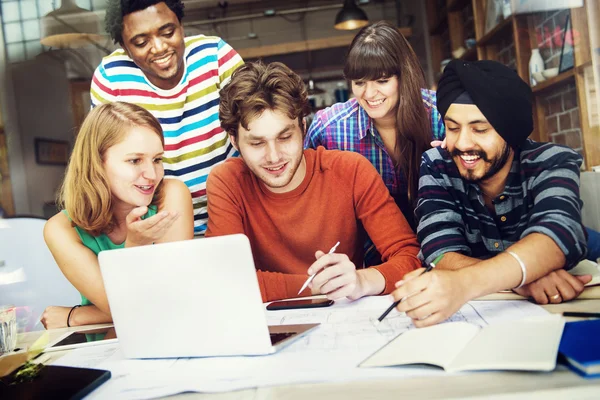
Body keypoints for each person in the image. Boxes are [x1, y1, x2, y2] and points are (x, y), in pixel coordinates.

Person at [392, 60, 590, 328]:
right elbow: (439, 252)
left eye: (480, 129)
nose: (462, 143)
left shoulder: (553, 161)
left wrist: (465, 283)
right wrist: (524, 276)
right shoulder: (438, 165)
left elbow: (557, 236)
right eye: (452, 128)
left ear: (511, 132)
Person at [205, 61, 421, 302]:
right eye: (257, 143)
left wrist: (362, 281)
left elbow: (410, 258)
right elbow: (226, 280)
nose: (274, 156)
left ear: (303, 128)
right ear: (234, 141)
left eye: (285, 137)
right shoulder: (227, 182)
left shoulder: (351, 171)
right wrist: (319, 287)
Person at [91, 0, 244, 235]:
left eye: (168, 32)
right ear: (124, 46)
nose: (159, 47)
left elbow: (252, 130)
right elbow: (106, 161)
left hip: (233, 212)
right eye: (141, 42)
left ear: (181, 25)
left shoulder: (216, 57)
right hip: (159, 224)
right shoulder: (111, 79)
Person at [41, 102, 194, 329]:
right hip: (105, 347)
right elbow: (125, 309)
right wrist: (135, 245)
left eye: (157, 159)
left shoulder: (172, 195)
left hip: (171, 333)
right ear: (96, 163)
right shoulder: (61, 229)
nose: (152, 174)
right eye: (135, 160)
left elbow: (177, 300)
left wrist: (76, 316)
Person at [304, 21, 444, 264]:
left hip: (444, 252)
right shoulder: (329, 128)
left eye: (381, 81)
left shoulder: (441, 115)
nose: (369, 95)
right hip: (362, 266)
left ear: (404, 75)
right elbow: (307, 199)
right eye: (359, 83)